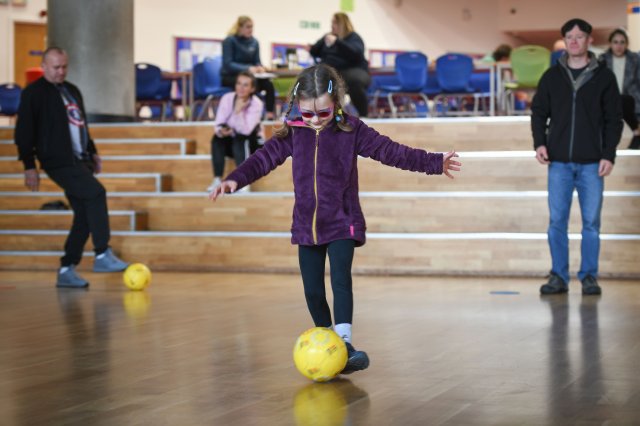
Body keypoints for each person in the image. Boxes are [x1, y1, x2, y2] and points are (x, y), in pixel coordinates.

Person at [209, 64, 461, 374]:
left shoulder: (352, 130)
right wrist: (235, 179)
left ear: (336, 103)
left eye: (323, 113)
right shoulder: (292, 133)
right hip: (306, 224)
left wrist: (434, 162)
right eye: (307, 113)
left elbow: (391, 151)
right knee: (312, 289)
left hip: (343, 219)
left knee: (341, 280)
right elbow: (262, 159)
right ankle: (328, 340)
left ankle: (344, 343)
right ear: (296, 106)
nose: (314, 120)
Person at [14, 47, 129, 289]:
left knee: (84, 216)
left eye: (64, 66)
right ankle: (102, 253)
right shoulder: (33, 93)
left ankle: (67, 268)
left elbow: (81, 125)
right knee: (96, 193)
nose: (61, 71)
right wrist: (28, 165)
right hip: (57, 160)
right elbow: (23, 131)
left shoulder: (72, 90)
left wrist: (93, 150)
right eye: (56, 67)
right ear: (44, 67)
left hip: (80, 159)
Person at [531, 19, 623, 296]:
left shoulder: (604, 77)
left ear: (588, 41)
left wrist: (609, 154)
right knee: (557, 222)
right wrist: (540, 143)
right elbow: (538, 113)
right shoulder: (551, 77)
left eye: (579, 36)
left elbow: (614, 120)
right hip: (558, 163)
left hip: (592, 164)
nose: (573, 41)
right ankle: (558, 276)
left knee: (591, 224)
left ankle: (589, 277)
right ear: (565, 42)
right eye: (569, 37)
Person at [207, 71, 264, 192]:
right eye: (238, 84)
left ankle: (242, 181)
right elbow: (219, 123)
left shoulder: (256, 104)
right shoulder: (227, 98)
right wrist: (222, 131)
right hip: (232, 140)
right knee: (217, 139)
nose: (241, 88)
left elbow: (246, 130)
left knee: (240, 139)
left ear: (252, 88)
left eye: (245, 85)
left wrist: (238, 112)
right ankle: (217, 179)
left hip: (251, 143)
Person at [309, 12, 371, 117]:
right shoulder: (328, 37)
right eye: (332, 22)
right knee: (316, 80)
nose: (332, 25)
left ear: (342, 24)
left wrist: (337, 42)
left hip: (353, 71)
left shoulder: (353, 37)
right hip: (332, 73)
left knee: (354, 81)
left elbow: (356, 53)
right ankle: (324, 115)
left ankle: (364, 115)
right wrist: (321, 42)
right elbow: (314, 51)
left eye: (335, 22)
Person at [221, 16, 275, 119]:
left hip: (250, 77)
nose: (251, 30)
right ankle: (246, 115)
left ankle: (269, 115)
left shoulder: (254, 42)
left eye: (252, 27)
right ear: (239, 27)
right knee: (250, 86)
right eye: (248, 27)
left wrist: (260, 68)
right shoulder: (229, 41)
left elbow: (257, 62)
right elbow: (228, 64)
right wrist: (248, 68)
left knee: (268, 84)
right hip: (231, 76)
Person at [599, 28, 640, 149]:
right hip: (609, 99)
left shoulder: (635, 59)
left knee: (625, 100)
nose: (619, 46)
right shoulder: (602, 60)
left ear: (626, 44)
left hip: (631, 98)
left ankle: (636, 134)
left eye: (622, 42)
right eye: (615, 42)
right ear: (610, 44)